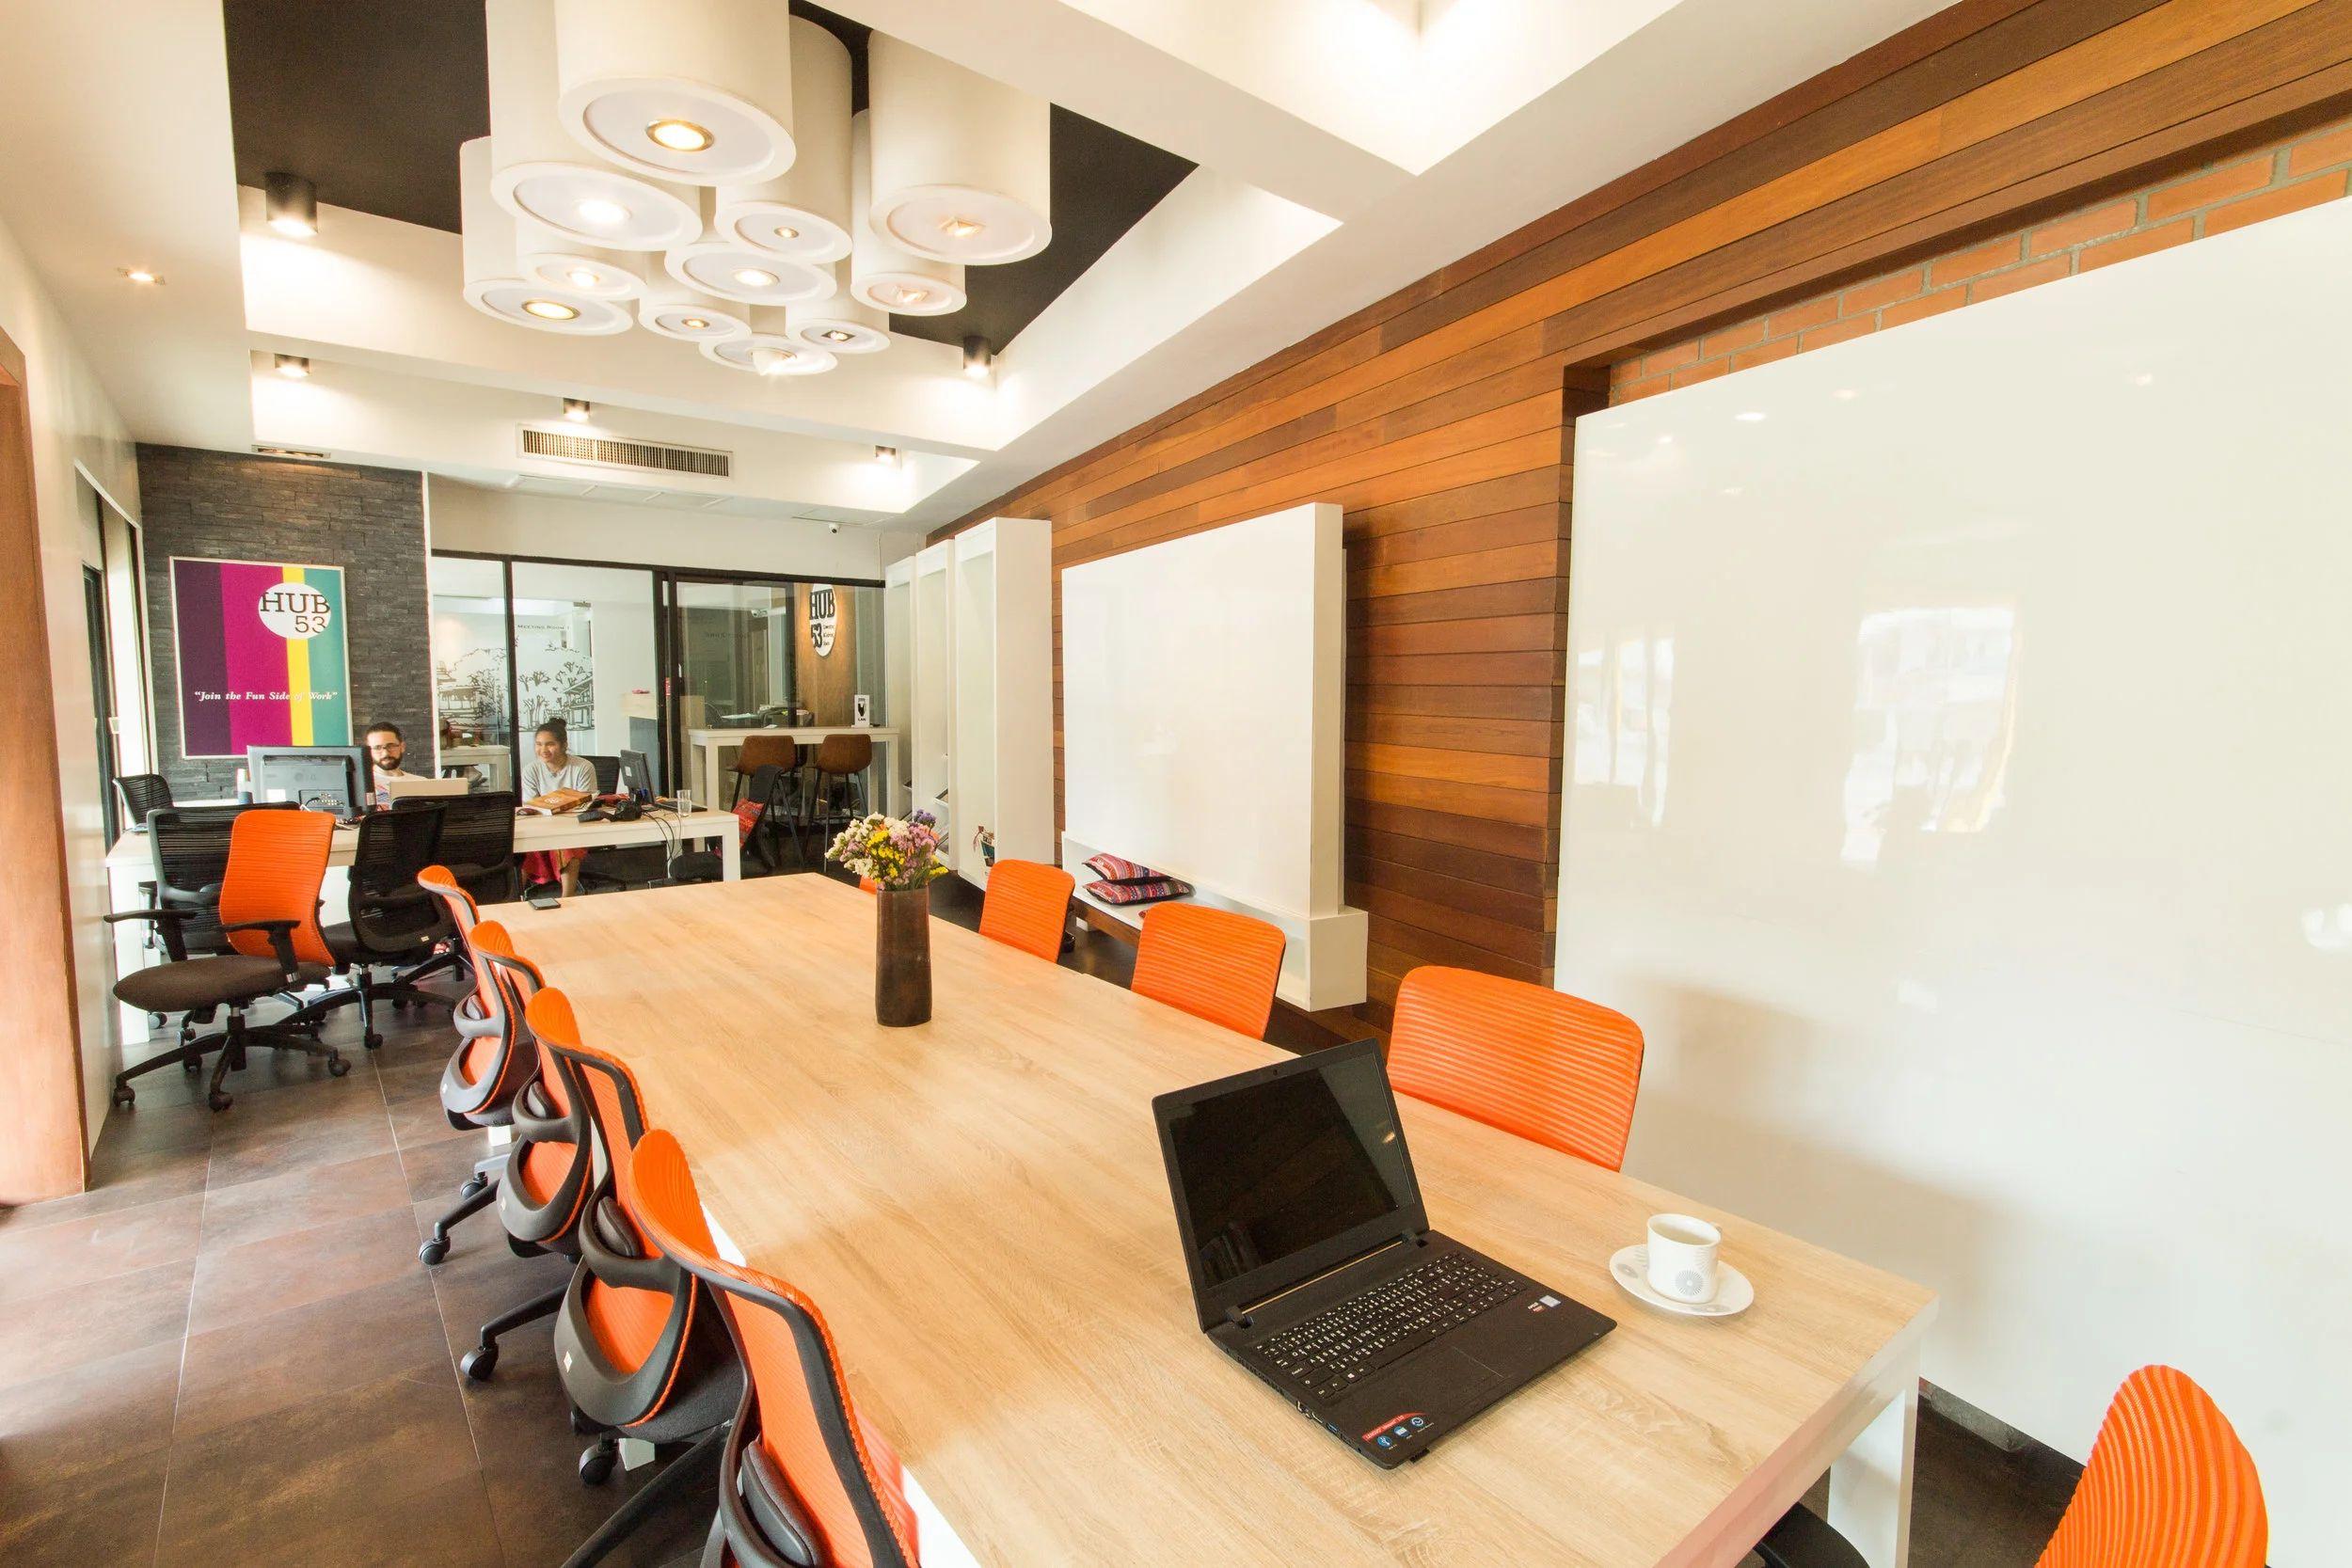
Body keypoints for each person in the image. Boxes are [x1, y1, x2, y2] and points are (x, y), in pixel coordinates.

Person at [519, 721, 596, 895]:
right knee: (526, 848)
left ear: (564, 745)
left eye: (550, 744)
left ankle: (568, 898)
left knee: (566, 844)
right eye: (539, 744)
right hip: (541, 826)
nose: (543, 750)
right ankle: (515, 898)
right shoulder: (531, 770)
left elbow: (584, 803)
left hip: (574, 825)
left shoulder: (583, 767)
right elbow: (531, 806)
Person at [364, 721, 417, 809]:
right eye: (377, 748)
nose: (385, 753)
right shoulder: (361, 786)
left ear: (402, 747)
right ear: (368, 751)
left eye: (391, 746)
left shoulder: (421, 782)